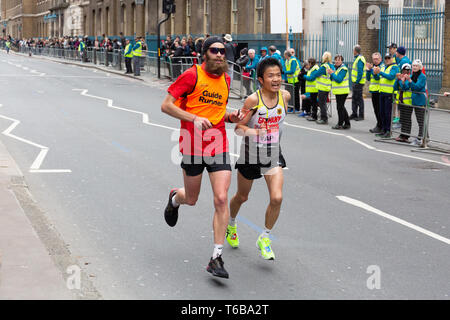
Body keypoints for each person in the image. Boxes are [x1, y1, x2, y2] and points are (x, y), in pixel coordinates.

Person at [161, 37, 243, 279]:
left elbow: (217, 114)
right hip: (192, 145)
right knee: (192, 198)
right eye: (214, 50)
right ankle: (175, 198)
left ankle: (216, 257)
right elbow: (166, 105)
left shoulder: (227, 80)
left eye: (223, 51)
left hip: (218, 145)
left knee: (220, 199)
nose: (220, 54)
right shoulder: (191, 76)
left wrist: (232, 117)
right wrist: (193, 118)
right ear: (204, 54)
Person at [228, 57, 291, 260]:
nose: (276, 79)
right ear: (261, 80)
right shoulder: (253, 100)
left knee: (277, 197)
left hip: (272, 153)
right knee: (242, 197)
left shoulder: (285, 96)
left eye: (278, 75)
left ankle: (264, 237)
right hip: (250, 155)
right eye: (270, 76)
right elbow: (238, 129)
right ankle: (231, 224)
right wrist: (256, 133)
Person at [400, 60, 428, 146]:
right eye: (413, 66)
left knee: (421, 121)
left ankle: (420, 138)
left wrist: (410, 80)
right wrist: (403, 82)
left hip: (420, 100)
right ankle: (426, 137)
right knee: (420, 120)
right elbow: (406, 88)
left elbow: (418, 87)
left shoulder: (422, 76)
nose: (415, 67)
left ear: (420, 67)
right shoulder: (412, 75)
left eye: (416, 66)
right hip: (414, 101)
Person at [373, 53, 400, 138]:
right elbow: (378, 78)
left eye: (389, 58)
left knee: (388, 113)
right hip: (382, 92)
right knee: (382, 113)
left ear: (392, 58)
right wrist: (375, 73)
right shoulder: (384, 67)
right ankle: (384, 129)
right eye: (386, 58)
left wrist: (380, 72)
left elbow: (391, 77)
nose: (387, 59)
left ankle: (388, 131)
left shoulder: (395, 67)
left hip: (389, 93)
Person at [329, 54, 351, 130]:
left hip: (343, 91)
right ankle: (347, 123)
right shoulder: (336, 68)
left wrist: (332, 73)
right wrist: (331, 73)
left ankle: (340, 124)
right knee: (341, 107)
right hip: (338, 91)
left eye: (339, 60)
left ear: (342, 61)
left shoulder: (343, 69)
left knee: (340, 107)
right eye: (336, 59)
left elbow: (339, 79)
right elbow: (332, 79)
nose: (337, 61)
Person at [314, 51, 335, 124]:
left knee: (321, 103)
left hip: (322, 87)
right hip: (327, 87)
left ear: (324, 57)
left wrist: (318, 75)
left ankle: (324, 118)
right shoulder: (331, 66)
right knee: (324, 103)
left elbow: (316, 74)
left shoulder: (324, 66)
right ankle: (324, 117)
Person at [366, 52, 384, 134]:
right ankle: (379, 125)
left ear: (380, 59)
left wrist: (373, 70)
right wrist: (369, 70)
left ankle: (381, 126)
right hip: (374, 91)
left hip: (379, 91)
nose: (375, 60)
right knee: (376, 109)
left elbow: (377, 78)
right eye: (374, 59)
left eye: (377, 59)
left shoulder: (382, 67)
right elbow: (368, 78)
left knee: (380, 110)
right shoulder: (373, 67)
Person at [350, 45, 366, 121]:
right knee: (354, 98)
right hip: (356, 82)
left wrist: (357, 81)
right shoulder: (357, 58)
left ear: (355, 51)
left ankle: (361, 115)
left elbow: (360, 72)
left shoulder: (360, 59)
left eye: (353, 50)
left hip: (358, 82)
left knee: (359, 99)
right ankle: (354, 113)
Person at [283, 50, 301, 114]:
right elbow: (285, 68)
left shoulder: (293, 60)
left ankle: (297, 108)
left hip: (295, 80)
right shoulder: (287, 61)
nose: (284, 56)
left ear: (286, 55)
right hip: (290, 80)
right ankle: (291, 107)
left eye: (284, 55)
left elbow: (292, 71)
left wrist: (284, 72)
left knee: (296, 95)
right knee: (291, 95)